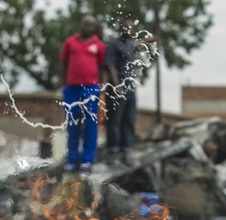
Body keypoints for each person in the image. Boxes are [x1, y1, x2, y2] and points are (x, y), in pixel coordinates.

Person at [105, 18, 155, 166]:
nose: (129, 30)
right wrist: (117, 86)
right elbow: (110, 65)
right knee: (115, 119)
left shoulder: (129, 44)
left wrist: (150, 39)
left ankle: (126, 150)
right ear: (120, 28)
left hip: (130, 86)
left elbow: (139, 43)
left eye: (131, 28)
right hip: (117, 85)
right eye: (126, 27)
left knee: (129, 118)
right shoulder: (113, 44)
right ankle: (113, 151)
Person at [60, 15, 106, 173]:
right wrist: (63, 85)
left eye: (90, 25)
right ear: (81, 25)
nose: (87, 27)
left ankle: (87, 160)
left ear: (94, 28)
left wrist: (101, 87)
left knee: (91, 124)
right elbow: (64, 64)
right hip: (72, 89)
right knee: (72, 123)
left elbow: (102, 68)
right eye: (85, 24)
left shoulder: (99, 46)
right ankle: (72, 159)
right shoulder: (70, 42)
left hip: (91, 88)